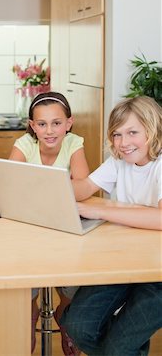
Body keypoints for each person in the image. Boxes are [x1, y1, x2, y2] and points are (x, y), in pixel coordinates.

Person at [61, 96, 162, 356]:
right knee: (77, 326)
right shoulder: (119, 162)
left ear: (153, 129)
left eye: (132, 132)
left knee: (119, 349)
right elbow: (84, 188)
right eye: (117, 134)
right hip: (125, 263)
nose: (123, 143)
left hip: (159, 276)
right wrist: (50, 185)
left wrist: (98, 210)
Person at [9, 91, 90, 354]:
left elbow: (84, 185)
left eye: (57, 123)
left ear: (68, 123)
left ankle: (64, 316)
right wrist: (59, 187)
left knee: (71, 287)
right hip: (29, 227)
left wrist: (34, 186)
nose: (50, 130)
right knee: (26, 289)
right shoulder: (25, 144)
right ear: (32, 126)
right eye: (42, 124)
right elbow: (9, 182)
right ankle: (30, 319)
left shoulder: (73, 143)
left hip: (64, 225)